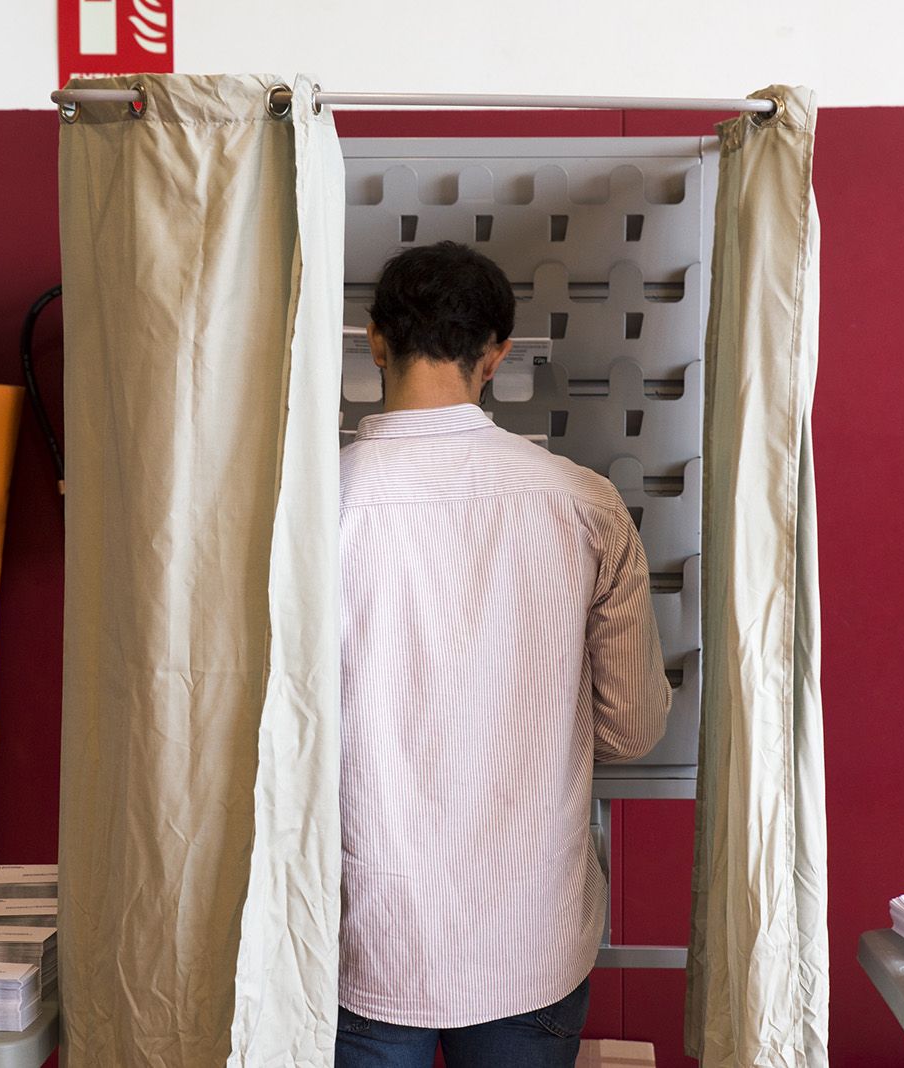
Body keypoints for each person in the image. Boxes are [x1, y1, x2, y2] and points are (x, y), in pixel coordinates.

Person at [337, 241, 672, 1068]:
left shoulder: (315, 506)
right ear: (496, 356)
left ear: (375, 341)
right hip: (530, 934)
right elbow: (632, 729)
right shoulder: (585, 505)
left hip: (366, 935)